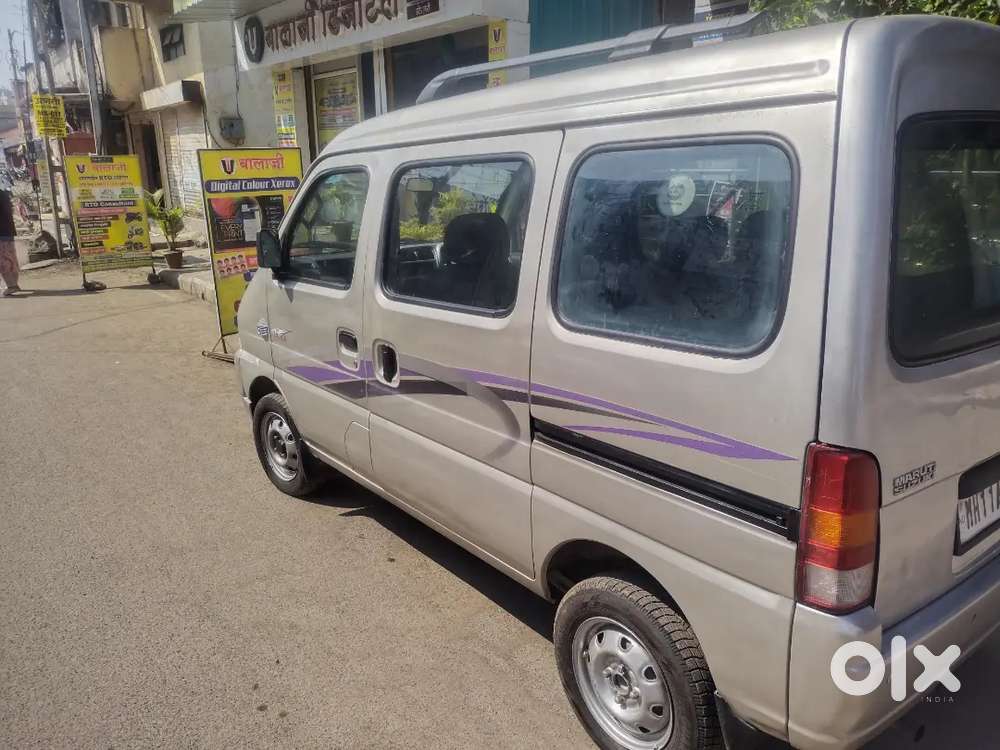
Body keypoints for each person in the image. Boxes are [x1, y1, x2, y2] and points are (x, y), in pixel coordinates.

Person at [0, 184, 20, 297]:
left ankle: (12, 286)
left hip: (2, 232)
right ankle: (13, 284)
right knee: (10, 259)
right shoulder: (3, 194)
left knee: (4, 261)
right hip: (7, 231)